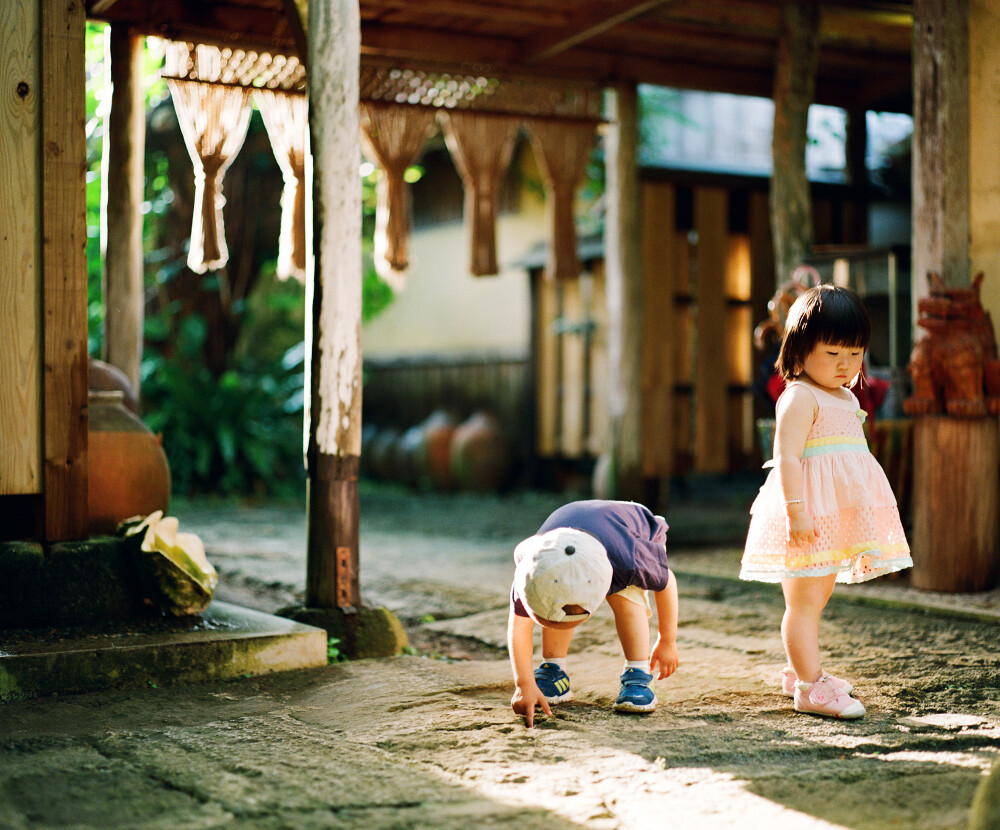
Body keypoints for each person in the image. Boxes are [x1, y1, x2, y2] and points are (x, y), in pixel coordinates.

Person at [740, 284, 912, 720]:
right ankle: (808, 687)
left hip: (830, 518)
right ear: (799, 349)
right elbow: (787, 457)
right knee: (803, 601)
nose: (846, 365)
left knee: (817, 597)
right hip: (806, 516)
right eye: (834, 353)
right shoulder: (799, 396)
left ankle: (801, 669)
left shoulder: (846, 396)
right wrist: (797, 511)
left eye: (854, 354)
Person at [508, 499, 679, 728]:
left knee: (628, 599)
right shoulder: (533, 573)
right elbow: (518, 628)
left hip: (633, 532)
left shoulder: (629, 561)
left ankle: (638, 674)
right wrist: (524, 685)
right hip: (574, 535)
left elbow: (667, 582)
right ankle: (554, 670)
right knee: (556, 597)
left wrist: (667, 641)